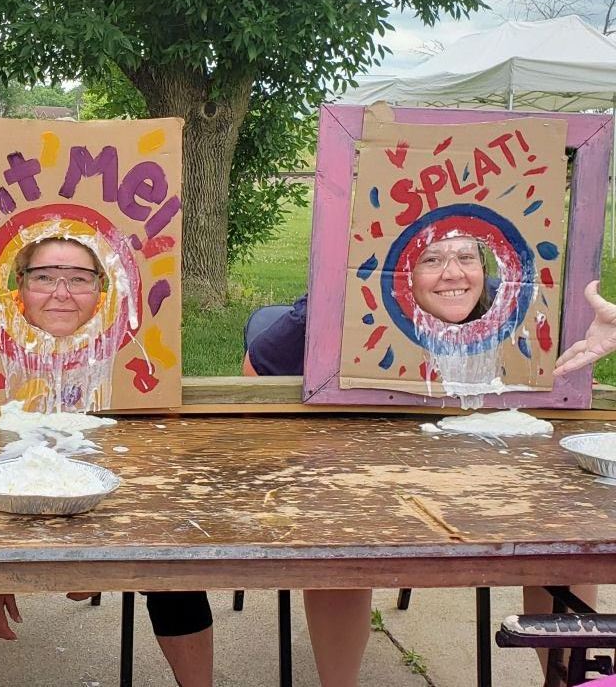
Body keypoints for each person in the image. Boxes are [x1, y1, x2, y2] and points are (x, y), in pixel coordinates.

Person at [244, 237, 592, 686]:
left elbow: (567, 386)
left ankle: (568, 680)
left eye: (466, 257)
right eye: (431, 259)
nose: (454, 273)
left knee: (563, 536)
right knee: (340, 536)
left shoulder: (514, 308)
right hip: (370, 471)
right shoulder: (343, 300)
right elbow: (255, 373)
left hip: (482, 469)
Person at [0, 237, 214, 687]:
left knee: (172, 569)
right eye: (44, 277)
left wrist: (104, 554)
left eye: (79, 279)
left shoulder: (135, 343)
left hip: (109, 494)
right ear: (20, 284)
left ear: (101, 289)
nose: (61, 292)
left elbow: (152, 454)